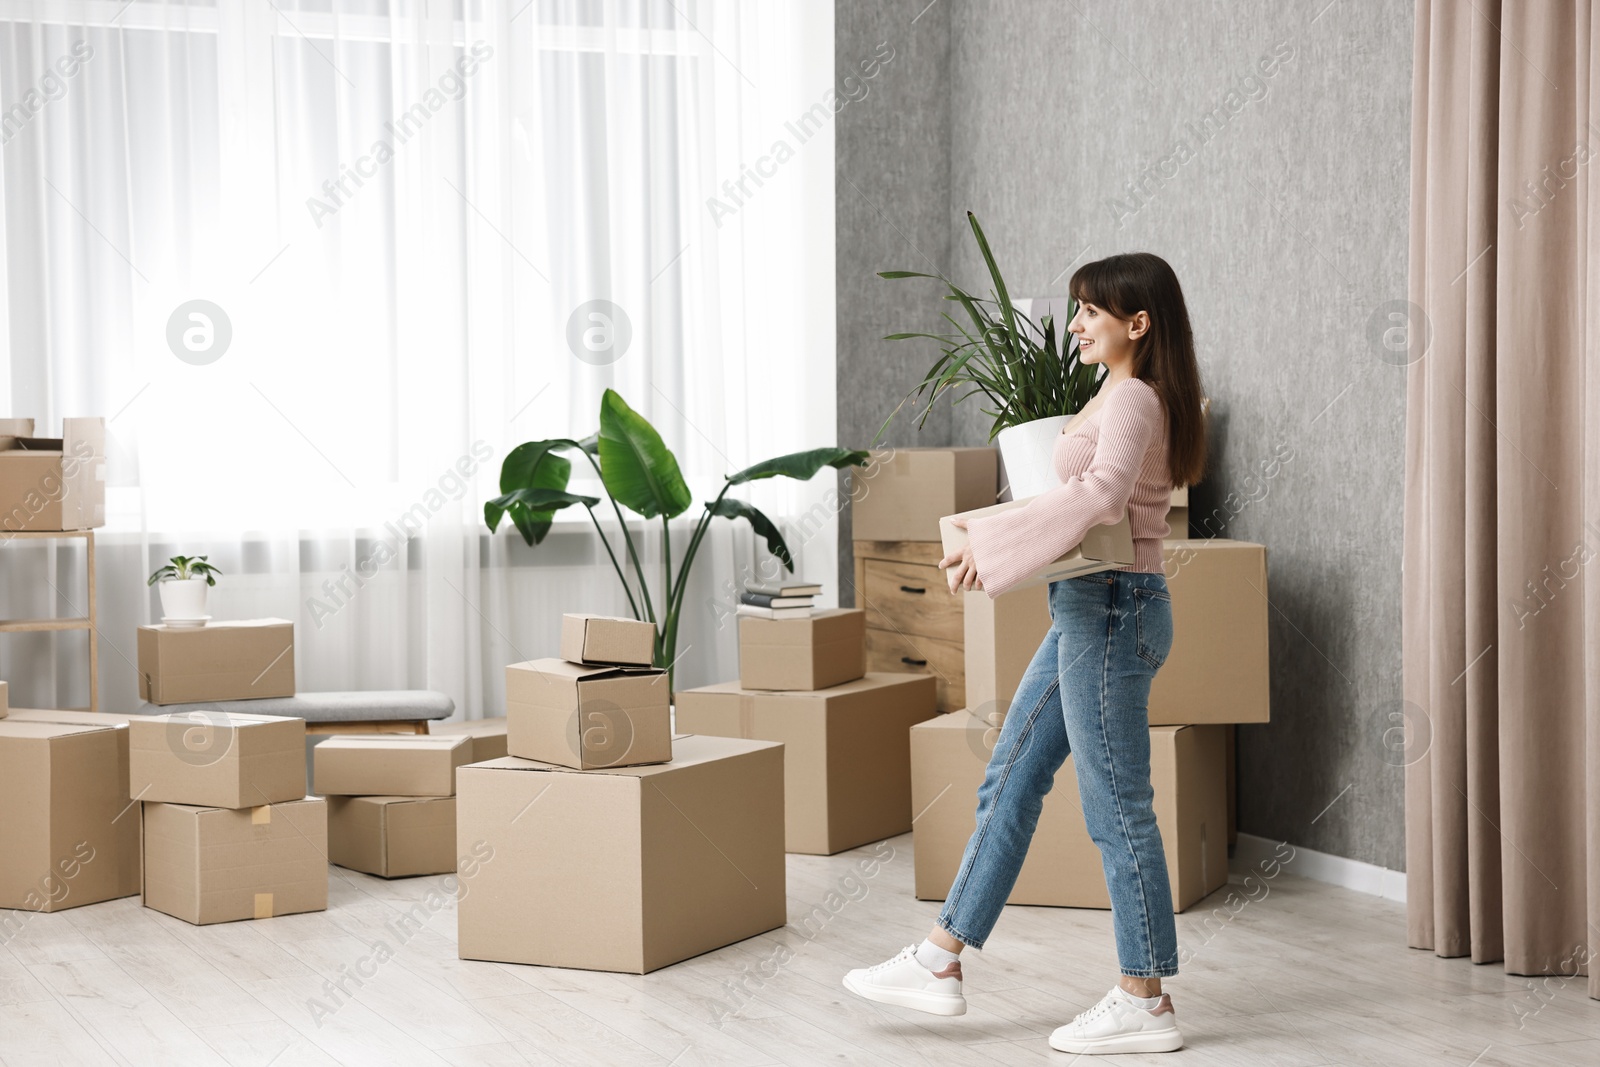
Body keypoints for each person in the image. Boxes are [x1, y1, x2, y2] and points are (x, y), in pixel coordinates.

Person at [842, 252, 1209, 1056]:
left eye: (1089, 311)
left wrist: (995, 544)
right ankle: (940, 960)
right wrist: (993, 533)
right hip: (1088, 609)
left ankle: (1145, 998)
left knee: (1117, 809)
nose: (1074, 324)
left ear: (1136, 323)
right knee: (1008, 777)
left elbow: (1101, 496)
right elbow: (1067, 496)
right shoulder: (1112, 392)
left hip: (1114, 609)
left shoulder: (1137, 397)